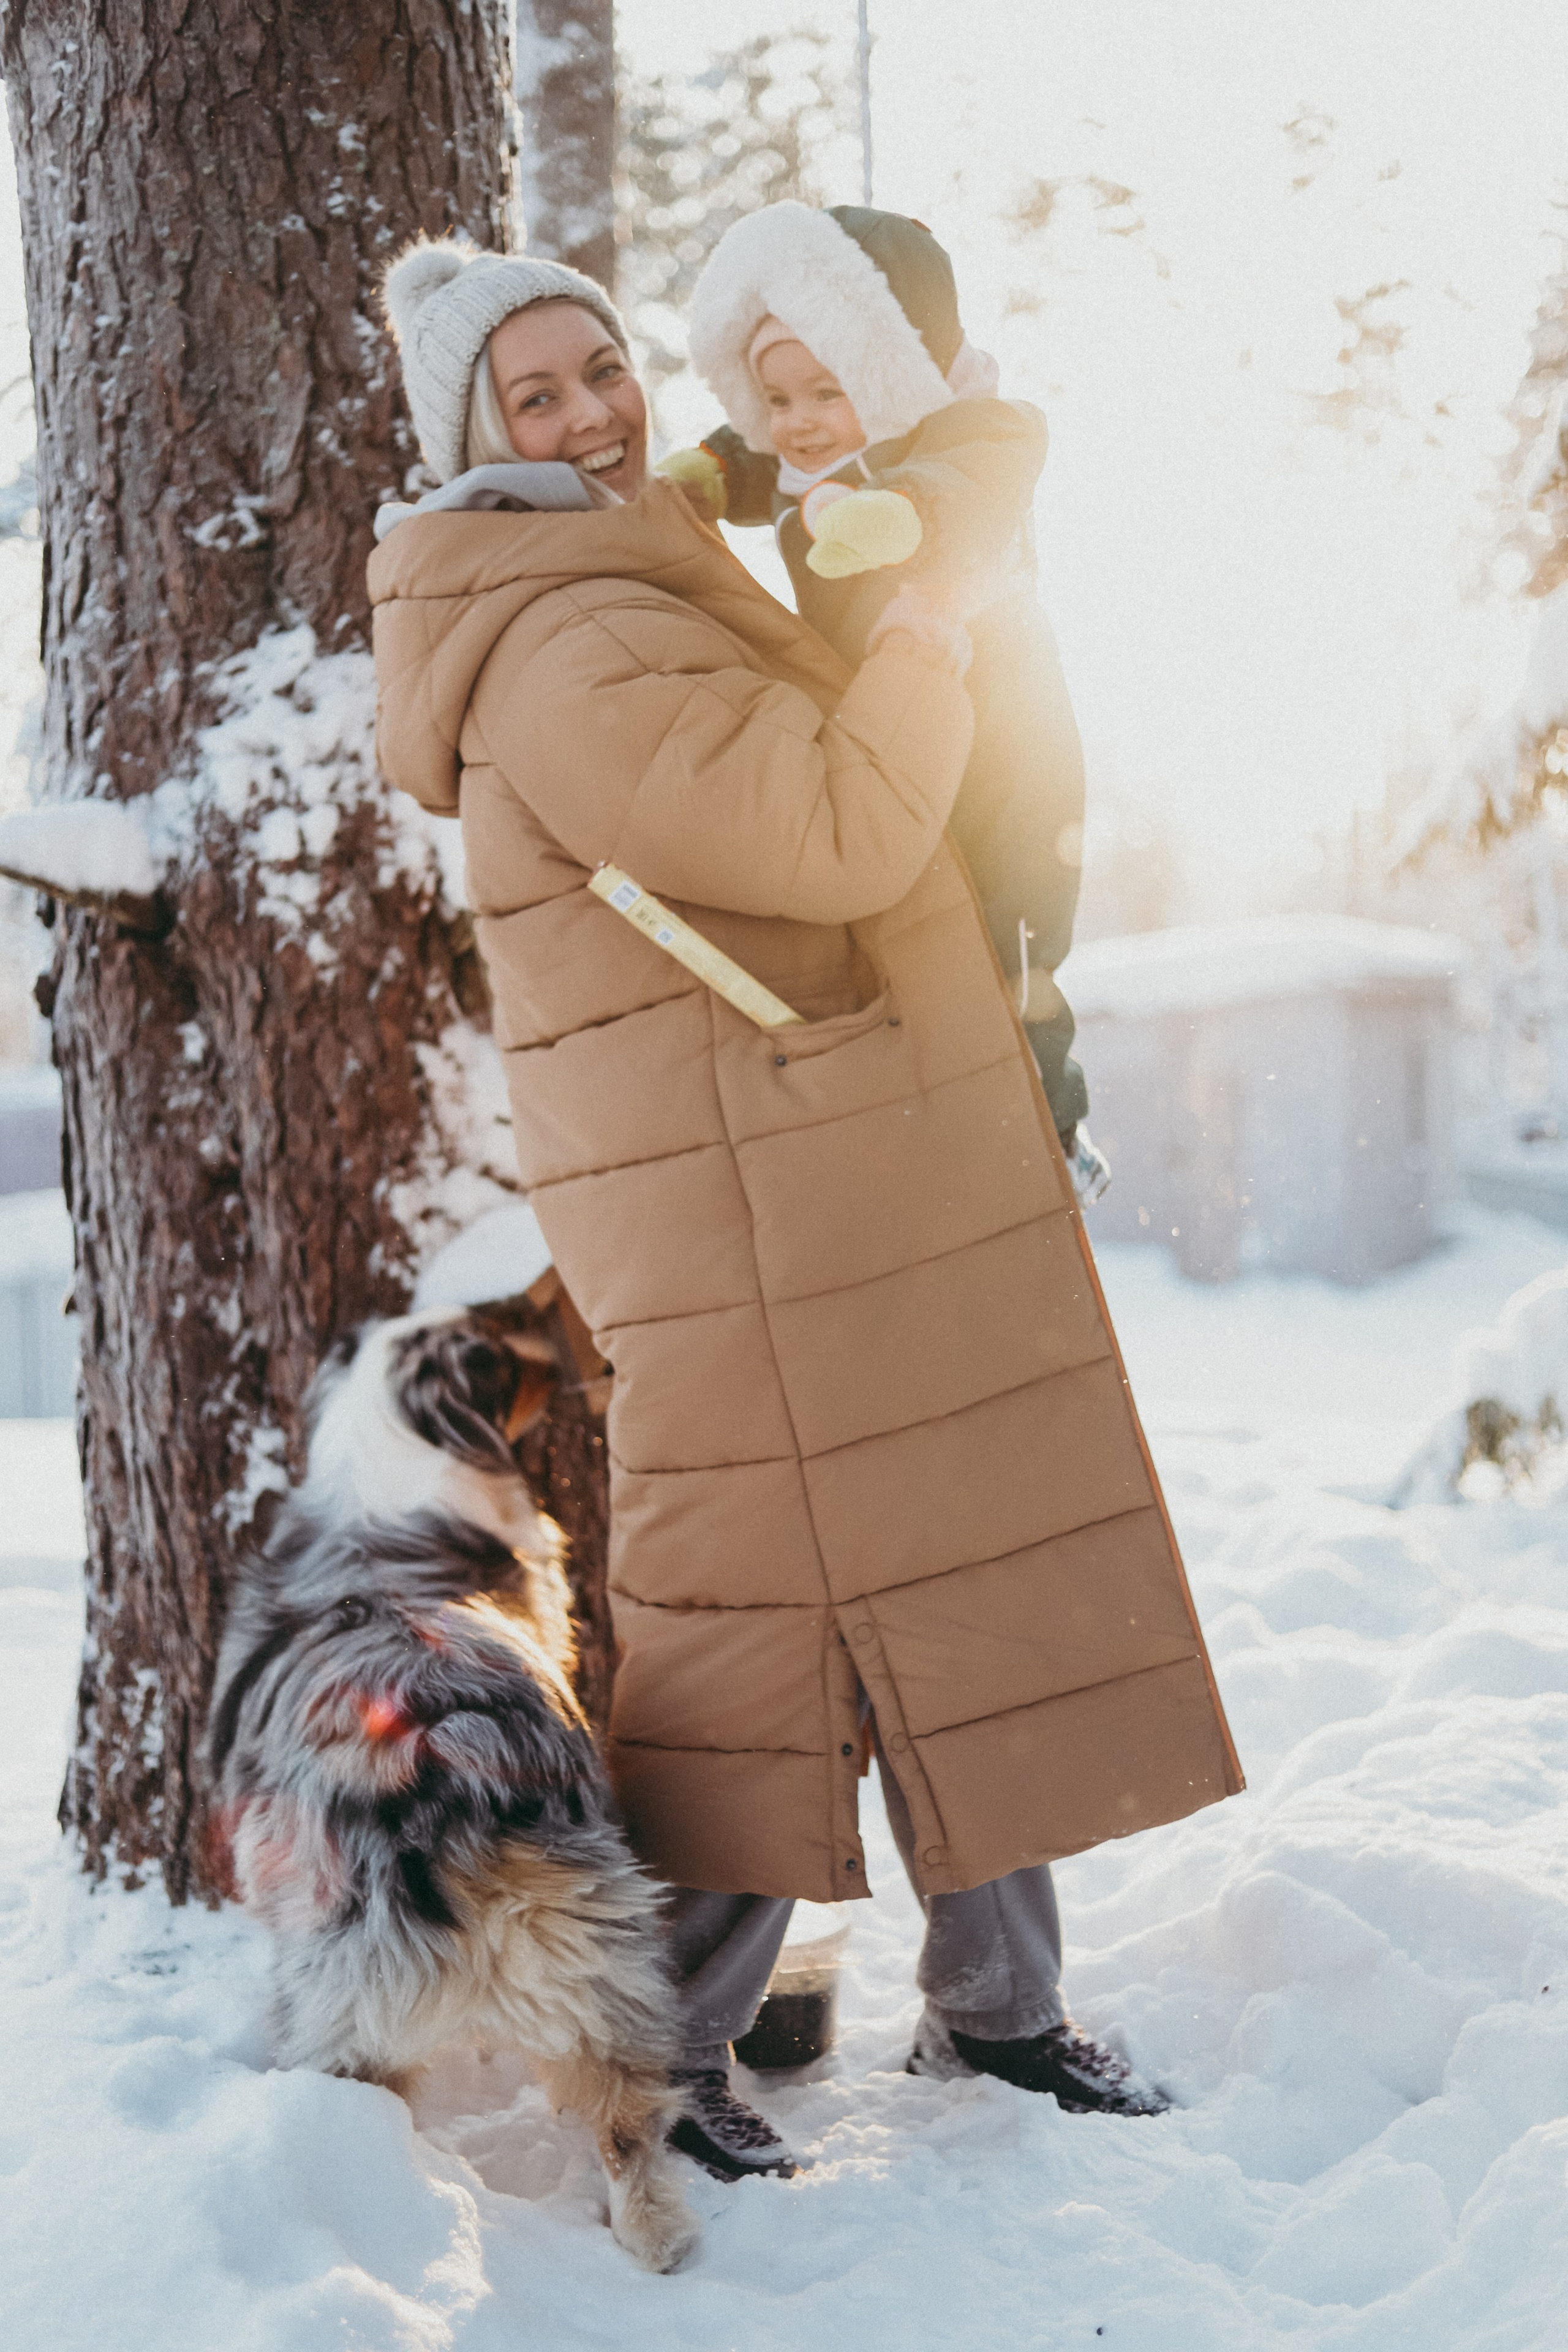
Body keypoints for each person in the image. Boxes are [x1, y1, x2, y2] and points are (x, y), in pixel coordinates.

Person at [369, 238, 1242, 2185]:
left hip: (816, 1165)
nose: (597, 412)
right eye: (541, 397)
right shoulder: (563, 639)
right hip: (754, 1211)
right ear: (476, 442)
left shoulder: (621, 568)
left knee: (943, 1563)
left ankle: (998, 2011)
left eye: (605, 368)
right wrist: (935, 610)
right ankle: (658, 2051)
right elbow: (844, 829)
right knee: (753, 1633)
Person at [663, 201, 1100, 1183]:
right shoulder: (792, 448)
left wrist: (901, 517)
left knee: (1014, 938)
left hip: (1008, 736)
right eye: (775, 398)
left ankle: (1050, 1129)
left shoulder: (975, 429)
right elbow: (744, 462)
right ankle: (928, 1122)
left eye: (829, 389)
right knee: (916, 937)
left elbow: (975, 480)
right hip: (902, 730)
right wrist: (702, 473)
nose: (800, 423)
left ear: (895, 372)